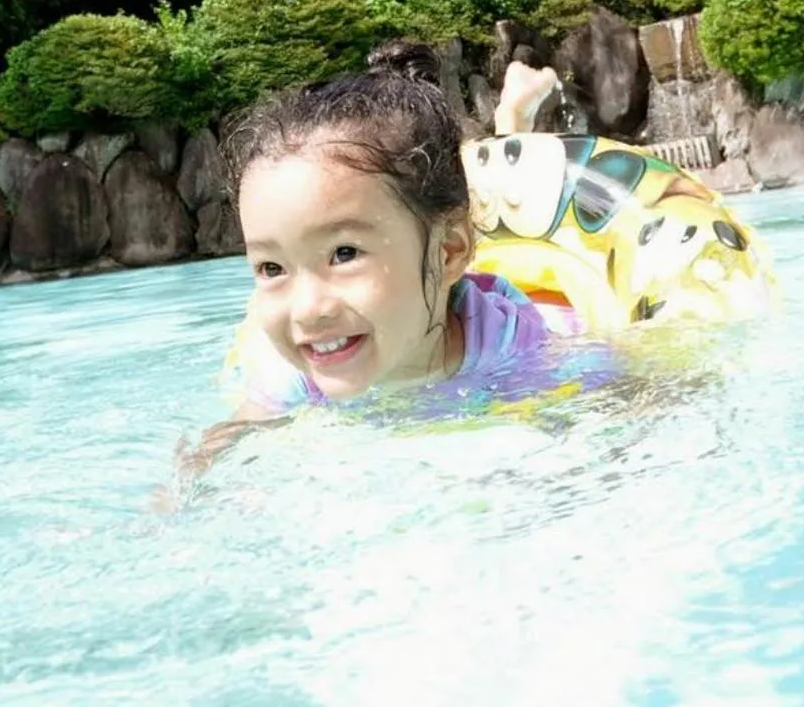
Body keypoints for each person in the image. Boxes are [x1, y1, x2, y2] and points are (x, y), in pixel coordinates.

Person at [175, 45, 572, 480]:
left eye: (344, 254)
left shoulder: (509, 340)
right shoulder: (288, 374)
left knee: (506, 203)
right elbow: (221, 447)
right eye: (272, 267)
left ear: (449, 252)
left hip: (463, 262)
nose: (307, 309)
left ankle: (512, 121)